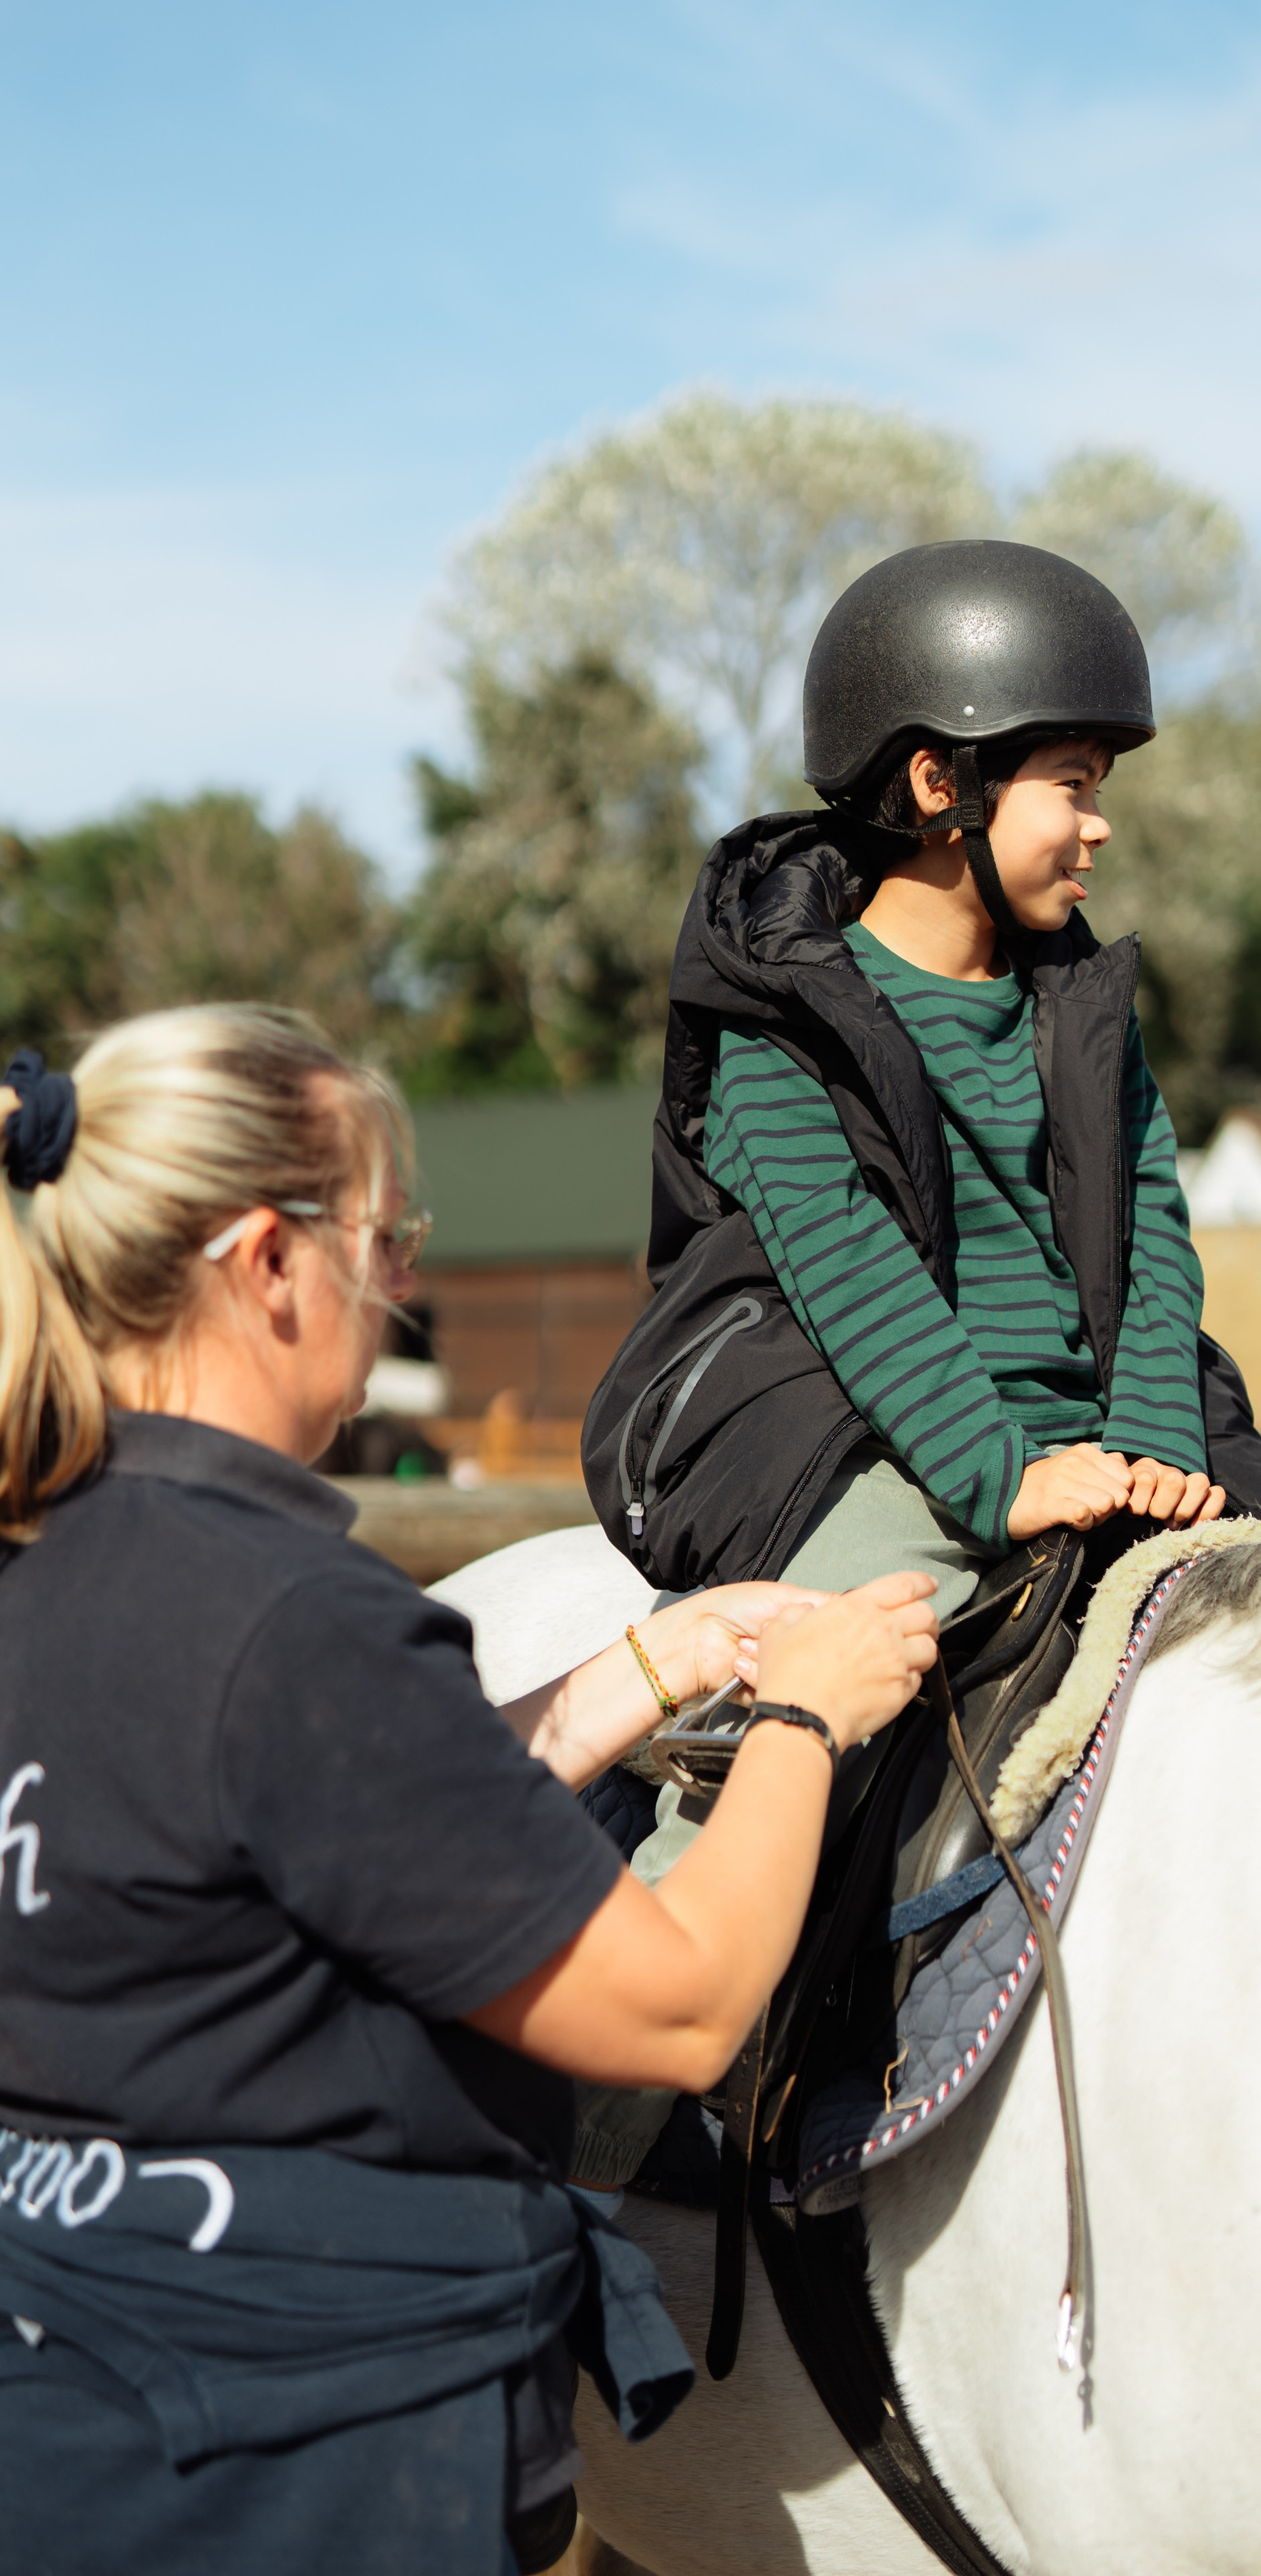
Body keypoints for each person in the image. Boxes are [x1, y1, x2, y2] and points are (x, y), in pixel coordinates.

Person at [0, 1009, 936, 2576]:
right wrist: (802, 1713)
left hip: (86, 2429)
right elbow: (680, 2008)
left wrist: (643, 1667)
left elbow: (298, 1830)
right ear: (268, 1263)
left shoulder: (61, 1573)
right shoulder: (297, 1627)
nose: (397, 1289)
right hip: (309, 2478)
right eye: (384, 1240)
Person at [585, 536, 1261, 1613]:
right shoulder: (778, 1023)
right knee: (870, 1649)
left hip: (1103, 1434)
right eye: (1072, 786)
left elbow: (1150, 1227)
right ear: (939, 785)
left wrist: (1159, 1432)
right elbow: (846, 1259)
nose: (1099, 826)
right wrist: (999, 1473)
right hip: (872, 1438)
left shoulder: (1086, 1010)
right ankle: (737, 1728)